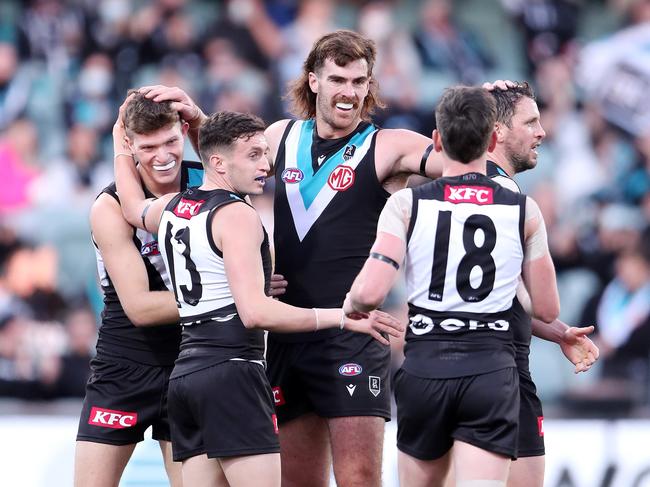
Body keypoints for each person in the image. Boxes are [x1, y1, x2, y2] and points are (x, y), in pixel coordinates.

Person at [135, 30, 445, 487]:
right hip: (285, 332)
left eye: (360, 81)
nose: (350, 92)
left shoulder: (391, 144)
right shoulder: (281, 135)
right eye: (339, 79)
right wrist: (195, 117)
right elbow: (228, 157)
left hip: (351, 334)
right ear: (313, 80)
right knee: (298, 481)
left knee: (359, 478)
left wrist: (489, 128)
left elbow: (463, 167)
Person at [113, 104, 403, 486]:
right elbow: (254, 312)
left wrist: (121, 144)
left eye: (265, 153)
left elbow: (133, 208)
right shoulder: (237, 215)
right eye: (253, 155)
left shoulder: (173, 208)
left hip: (185, 377)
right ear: (217, 162)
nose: (266, 165)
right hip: (234, 370)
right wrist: (339, 316)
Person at [345, 85, 560, 486]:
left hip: (426, 365)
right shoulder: (522, 209)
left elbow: (370, 293)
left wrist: (350, 302)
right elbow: (546, 309)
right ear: (494, 138)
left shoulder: (409, 203)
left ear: (437, 140)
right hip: (490, 370)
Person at [74, 91, 203, 487]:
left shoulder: (210, 181)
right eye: (148, 147)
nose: (163, 156)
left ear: (183, 131)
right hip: (124, 363)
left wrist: (200, 118)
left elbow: (247, 153)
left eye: (170, 142)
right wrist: (236, 292)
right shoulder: (109, 206)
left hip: (193, 362)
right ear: (128, 145)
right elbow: (141, 308)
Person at [482, 81, 600, 487]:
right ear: (497, 131)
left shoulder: (437, 191)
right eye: (530, 121)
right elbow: (544, 304)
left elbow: (497, 296)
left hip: (436, 371)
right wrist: (554, 323)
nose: (542, 131)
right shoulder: (513, 200)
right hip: (501, 373)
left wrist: (558, 333)